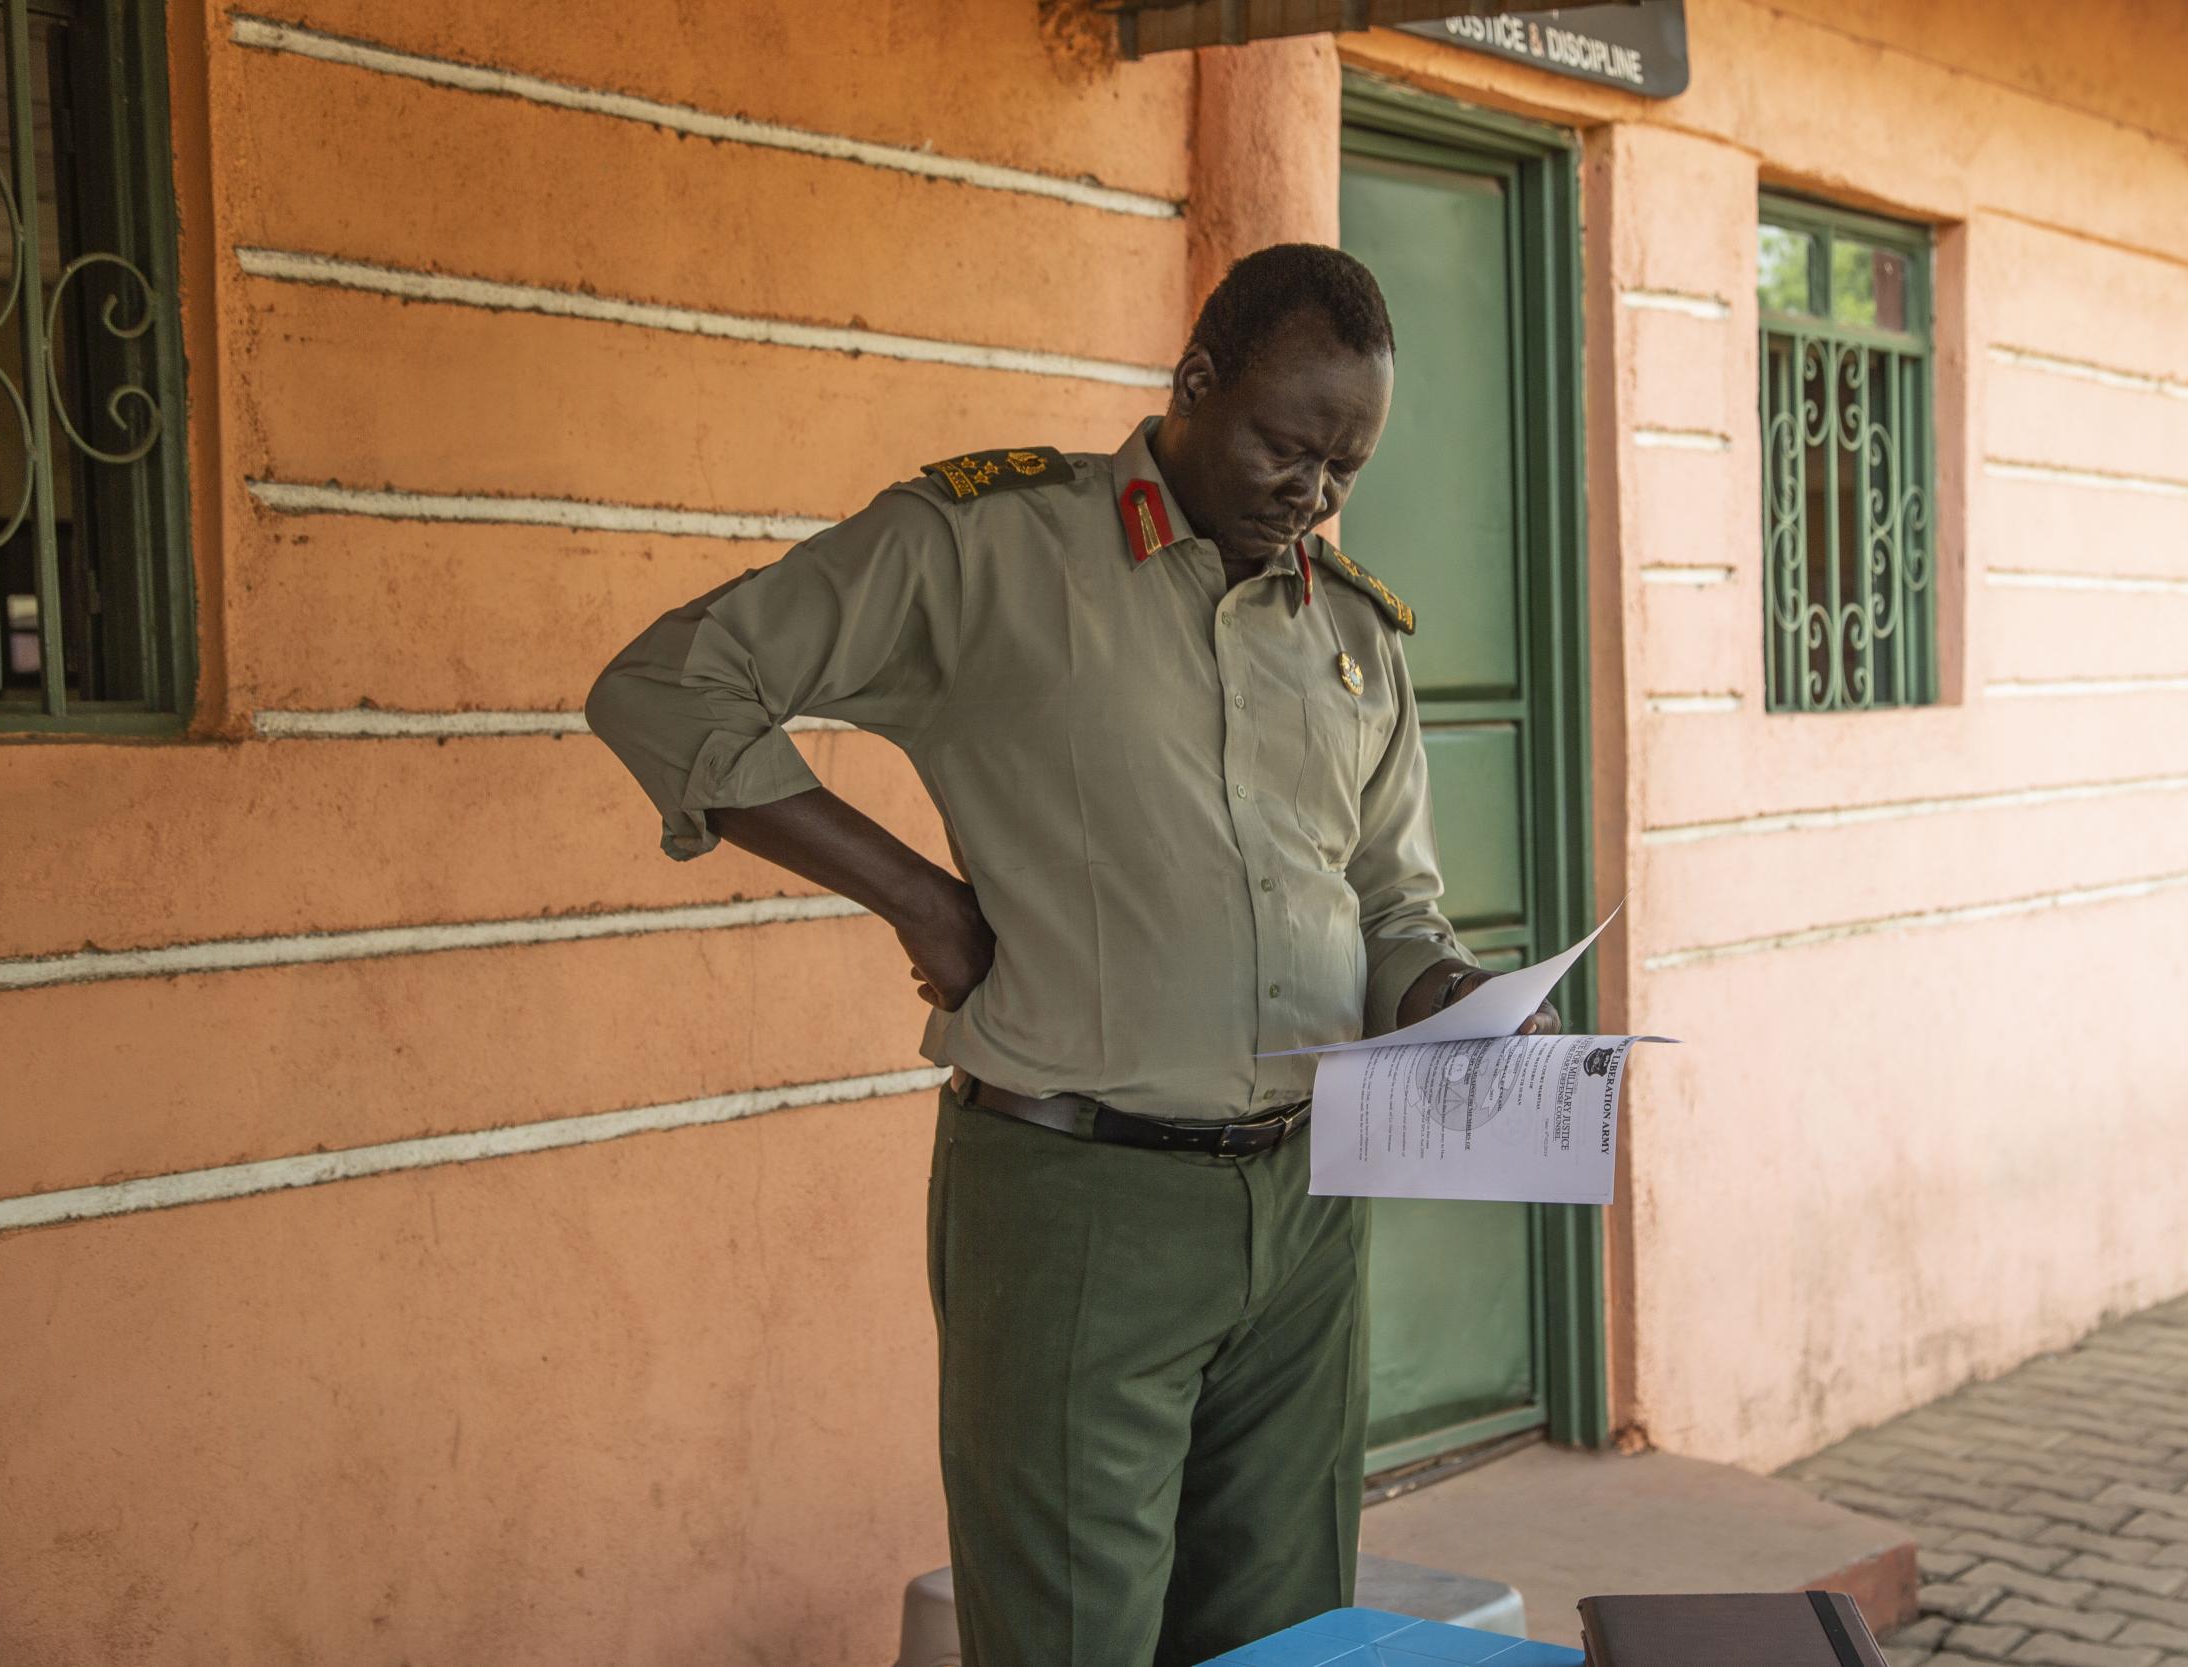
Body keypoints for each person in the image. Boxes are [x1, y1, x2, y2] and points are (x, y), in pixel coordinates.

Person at [585, 242, 1557, 1667]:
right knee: (1071, 1641)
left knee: (1282, 1639)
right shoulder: (990, 547)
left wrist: (1457, 995)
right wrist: (919, 898)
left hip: (1306, 1211)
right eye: (1289, 445)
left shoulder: (1354, 633)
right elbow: (670, 684)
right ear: (1196, 383)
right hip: (1077, 1201)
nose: (1316, 493)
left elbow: (1392, 902)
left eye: (1349, 466)